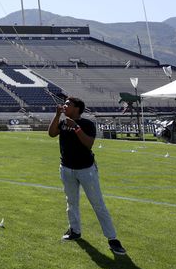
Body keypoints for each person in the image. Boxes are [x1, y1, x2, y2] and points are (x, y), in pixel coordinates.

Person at [48, 97, 126, 255]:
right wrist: (57, 116)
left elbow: (88, 143)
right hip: (67, 168)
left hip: (86, 169)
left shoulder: (87, 124)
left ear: (77, 108)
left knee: (98, 203)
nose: (65, 106)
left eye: (68, 104)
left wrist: (76, 127)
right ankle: (74, 230)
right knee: (71, 201)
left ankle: (112, 239)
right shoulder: (63, 122)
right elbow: (51, 133)